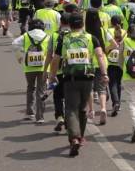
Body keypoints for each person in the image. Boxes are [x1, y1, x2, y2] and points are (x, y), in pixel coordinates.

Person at [49, 12, 109, 157]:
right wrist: (105, 73)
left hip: (70, 78)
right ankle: (80, 137)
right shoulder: (91, 38)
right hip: (88, 77)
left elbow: (56, 59)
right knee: (82, 108)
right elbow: (100, 56)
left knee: (70, 108)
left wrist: (52, 75)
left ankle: (74, 137)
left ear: (70, 25)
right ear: (82, 24)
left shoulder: (64, 38)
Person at [12, 19, 50, 124]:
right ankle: (40, 116)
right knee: (41, 91)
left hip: (29, 67)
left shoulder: (26, 36)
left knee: (30, 88)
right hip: (43, 67)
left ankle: (29, 112)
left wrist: (19, 56)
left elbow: (14, 43)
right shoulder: (47, 37)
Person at [85, 9, 116, 126]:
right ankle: (103, 108)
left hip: (89, 63)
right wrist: (105, 51)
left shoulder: (85, 33)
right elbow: (114, 44)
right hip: (102, 61)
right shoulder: (103, 30)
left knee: (90, 88)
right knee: (102, 87)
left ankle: (91, 110)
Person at [44, 12, 72, 132]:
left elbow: (50, 55)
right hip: (71, 71)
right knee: (70, 97)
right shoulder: (74, 35)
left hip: (57, 71)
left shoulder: (55, 36)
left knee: (57, 96)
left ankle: (59, 116)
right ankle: (69, 120)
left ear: (60, 23)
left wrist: (46, 71)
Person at [107, 15, 126, 117]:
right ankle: (118, 103)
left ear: (111, 22)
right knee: (118, 82)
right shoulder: (125, 32)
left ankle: (115, 102)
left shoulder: (107, 31)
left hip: (110, 60)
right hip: (121, 60)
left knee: (112, 83)